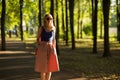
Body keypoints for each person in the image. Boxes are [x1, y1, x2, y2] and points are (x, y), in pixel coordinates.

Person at [35, 14, 59, 80]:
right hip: (42, 48)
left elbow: (54, 39)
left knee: (50, 67)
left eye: (50, 18)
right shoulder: (41, 28)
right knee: (43, 68)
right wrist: (40, 46)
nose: (49, 20)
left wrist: (54, 50)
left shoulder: (54, 28)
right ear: (45, 20)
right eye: (47, 18)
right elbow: (38, 38)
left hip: (51, 48)